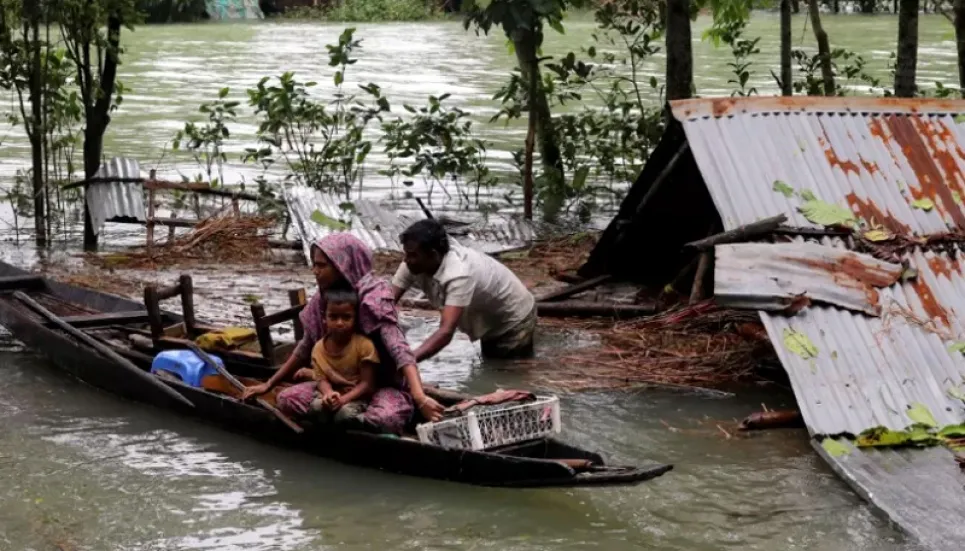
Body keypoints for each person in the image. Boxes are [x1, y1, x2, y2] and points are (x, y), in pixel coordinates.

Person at [242, 234, 444, 433]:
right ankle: (343, 416)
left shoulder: (374, 299)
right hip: (335, 387)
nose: (315, 271)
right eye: (315, 265)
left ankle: (351, 417)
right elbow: (304, 348)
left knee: (386, 418)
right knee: (286, 399)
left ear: (342, 266)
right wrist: (268, 384)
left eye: (322, 266)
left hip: (379, 387)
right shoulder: (323, 300)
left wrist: (420, 397)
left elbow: (401, 351)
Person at [391, 219, 537, 362]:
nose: (406, 260)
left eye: (413, 255)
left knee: (508, 371)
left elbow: (446, 332)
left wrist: (407, 361)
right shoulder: (411, 264)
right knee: (491, 363)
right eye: (406, 253)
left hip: (514, 316)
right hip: (489, 314)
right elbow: (386, 303)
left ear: (433, 254)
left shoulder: (458, 273)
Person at [283, 288, 379, 427]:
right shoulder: (318, 348)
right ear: (324, 319)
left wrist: (344, 399)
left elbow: (366, 384)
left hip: (356, 396)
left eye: (346, 317)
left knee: (343, 415)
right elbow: (321, 379)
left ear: (355, 319)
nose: (339, 323)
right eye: (333, 317)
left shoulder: (364, 345)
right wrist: (328, 394)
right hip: (331, 394)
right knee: (317, 408)